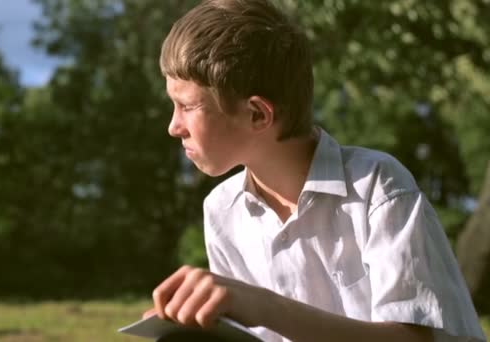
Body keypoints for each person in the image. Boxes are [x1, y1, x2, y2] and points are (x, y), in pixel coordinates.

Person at [143, 0, 487, 341]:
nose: (174, 126)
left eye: (187, 106)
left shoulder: (377, 187)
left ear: (258, 115)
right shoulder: (221, 210)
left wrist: (262, 306)